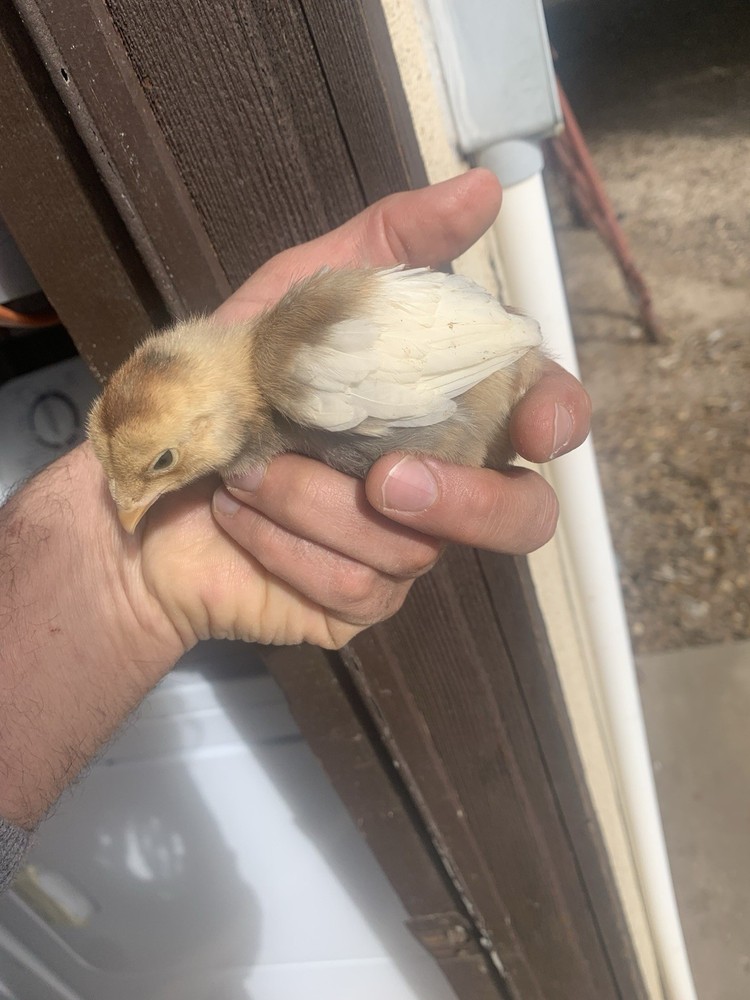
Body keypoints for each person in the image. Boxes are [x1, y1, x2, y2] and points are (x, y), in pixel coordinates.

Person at [0, 169, 590, 889]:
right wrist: (134, 587)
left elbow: (488, 344)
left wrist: (521, 368)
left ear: (206, 412)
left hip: (484, 381)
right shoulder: (252, 403)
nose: (137, 505)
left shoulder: (292, 369)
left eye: (160, 466)